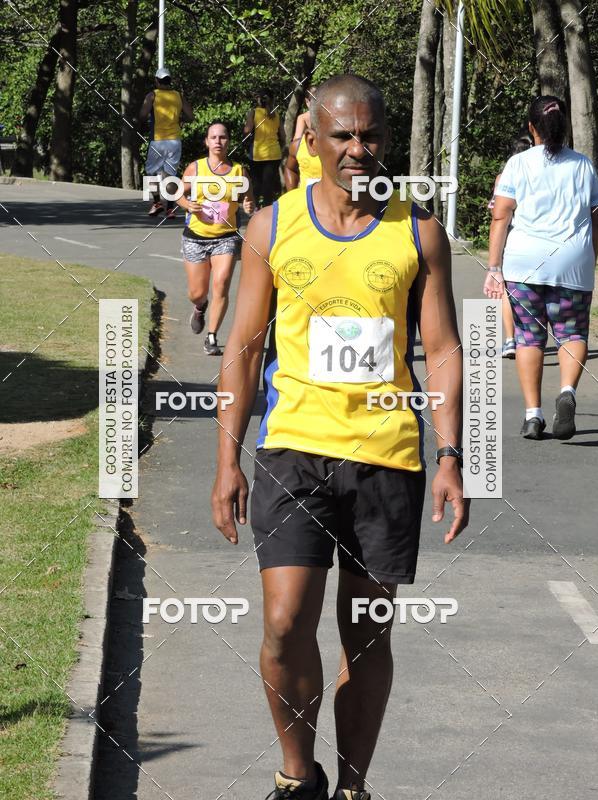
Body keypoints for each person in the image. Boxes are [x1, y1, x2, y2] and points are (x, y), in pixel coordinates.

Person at [212, 74, 469, 800]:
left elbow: (443, 350)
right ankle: (299, 778)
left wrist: (450, 455)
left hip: (386, 456)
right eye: (344, 136)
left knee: (367, 634)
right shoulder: (273, 226)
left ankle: (353, 787)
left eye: (372, 135)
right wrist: (226, 459)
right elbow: (244, 346)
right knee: (286, 621)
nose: (359, 149)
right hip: (294, 448)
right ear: (313, 139)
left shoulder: (417, 231)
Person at [484, 95, 598, 440]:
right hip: (573, 261)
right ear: (563, 127)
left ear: (532, 127)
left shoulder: (518, 164)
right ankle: (567, 391)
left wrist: (493, 266)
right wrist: (589, 254)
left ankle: (533, 415)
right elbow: (597, 219)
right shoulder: (584, 165)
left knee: (529, 338)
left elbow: (500, 215)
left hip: (524, 264)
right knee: (573, 333)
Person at [176, 121, 254, 355]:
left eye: (223, 137)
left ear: (228, 141)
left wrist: (249, 205)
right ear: (207, 142)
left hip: (226, 237)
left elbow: (248, 199)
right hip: (195, 238)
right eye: (214, 137)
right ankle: (200, 307)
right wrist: (187, 204)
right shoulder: (196, 169)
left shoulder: (239, 171)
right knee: (197, 292)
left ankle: (211, 337)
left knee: (221, 285)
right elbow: (178, 193)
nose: (218, 141)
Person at [488, 128, 533, 359]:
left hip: (509, 241)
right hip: (535, 241)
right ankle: (531, 339)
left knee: (507, 292)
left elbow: (496, 215)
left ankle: (510, 339)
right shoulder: (540, 175)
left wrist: (492, 264)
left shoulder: (503, 178)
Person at [139, 67, 193, 218]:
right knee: (170, 175)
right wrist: (179, 119)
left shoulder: (152, 95)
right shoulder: (178, 96)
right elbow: (191, 116)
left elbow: (142, 115)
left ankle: (157, 203)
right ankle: (170, 209)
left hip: (157, 140)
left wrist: (147, 118)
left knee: (151, 173)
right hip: (175, 141)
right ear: (170, 80)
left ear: (156, 80)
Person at [244, 89, 284, 207]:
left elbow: (247, 130)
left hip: (258, 154)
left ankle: (255, 209)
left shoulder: (254, 112)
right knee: (269, 186)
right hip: (274, 153)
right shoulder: (276, 114)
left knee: (256, 184)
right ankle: (267, 210)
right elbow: (283, 135)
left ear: (259, 99)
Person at [284, 87, 322, 191]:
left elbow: (297, 140)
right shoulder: (303, 118)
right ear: (307, 101)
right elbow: (298, 141)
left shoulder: (303, 117)